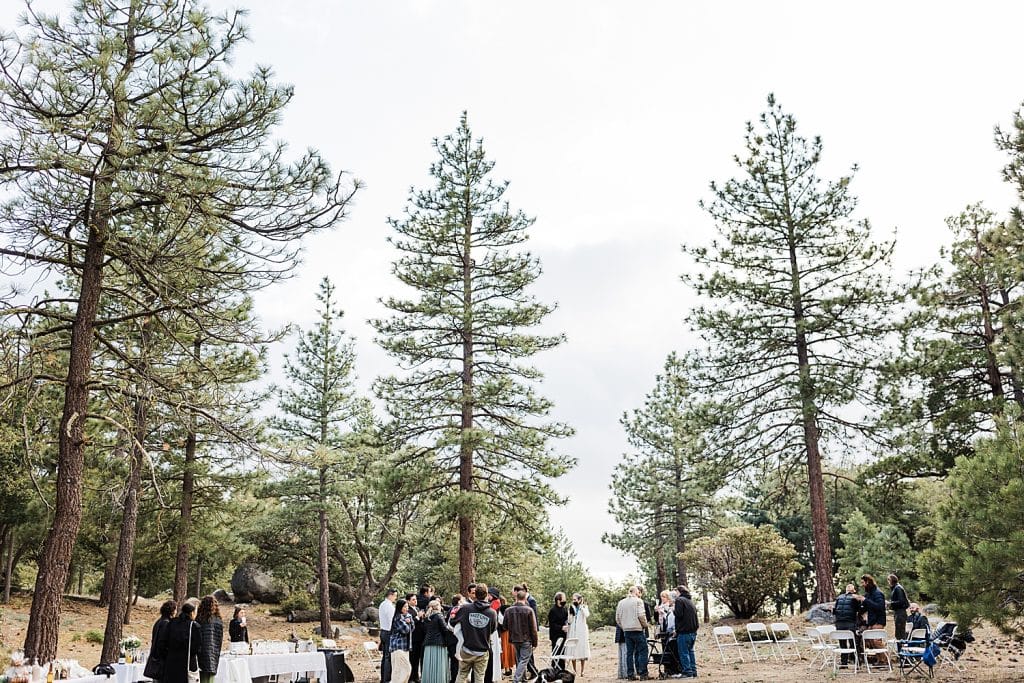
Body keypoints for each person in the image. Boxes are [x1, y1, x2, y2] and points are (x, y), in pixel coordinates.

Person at [454, 585, 497, 683]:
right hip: (482, 650)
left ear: (475, 595)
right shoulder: (492, 613)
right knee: (479, 677)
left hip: (466, 648)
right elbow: (493, 629)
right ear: (486, 595)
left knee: (462, 674)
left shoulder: (465, 608)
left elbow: (453, 622)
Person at [161, 602, 200, 683]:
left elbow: (164, 642)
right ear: (192, 613)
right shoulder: (194, 626)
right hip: (187, 664)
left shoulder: (172, 622)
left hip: (170, 663)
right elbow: (197, 648)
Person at [615, 586, 649, 680]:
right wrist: (645, 625)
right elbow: (641, 615)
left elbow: (617, 618)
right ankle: (643, 673)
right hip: (637, 629)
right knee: (643, 651)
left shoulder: (621, 602)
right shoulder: (638, 601)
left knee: (629, 653)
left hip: (626, 631)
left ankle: (630, 674)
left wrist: (624, 626)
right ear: (636, 592)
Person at [503, 591, 537, 683]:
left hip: (514, 639)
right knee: (523, 660)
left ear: (516, 598)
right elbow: (533, 628)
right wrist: (535, 642)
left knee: (519, 659)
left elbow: (505, 626)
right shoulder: (529, 610)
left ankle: (523, 679)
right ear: (525, 599)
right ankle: (516, 680)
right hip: (526, 639)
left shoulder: (508, 610)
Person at [143, 600, 176, 683]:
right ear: (171, 611)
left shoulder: (158, 622)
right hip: (161, 662)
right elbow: (162, 643)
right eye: (175, 609)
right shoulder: (166, 623)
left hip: (157, 659)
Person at [421, 600, 450, 683]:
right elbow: (445, 629)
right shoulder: (439, 616)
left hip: (428, 643)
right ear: (438, 606)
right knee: (438, 665)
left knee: (429, 664)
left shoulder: (427, 617)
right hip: (438, 643)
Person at [196, 596, 223, 683]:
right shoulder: (218, 620)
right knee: (210, 678)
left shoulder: (199, 619)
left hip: (201, 653)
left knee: (202, 678)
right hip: (214, 653)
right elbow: (219, 639)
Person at [673, 585, 698, 679]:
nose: (675, 594)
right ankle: (693, 671)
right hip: (693, 631)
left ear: (679, 592)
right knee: (690, 651)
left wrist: (673, 610)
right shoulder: (690, 601)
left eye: (675, 592)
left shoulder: (679, 600)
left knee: (683, 652)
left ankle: (687, 672)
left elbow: (679, 614)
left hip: (684, 631)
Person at [833, 583, 860, 666]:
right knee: (853, 643)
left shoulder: (839, 597)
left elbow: (835, 610)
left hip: (839, 623)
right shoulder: (854, 598)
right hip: (850, 623)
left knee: (842, 643)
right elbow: (858, 609)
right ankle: (856, 662)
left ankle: (844, 663)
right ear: (853, 590)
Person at [412, 586, 435, 683]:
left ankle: (417, 676)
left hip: (418, 634)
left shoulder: (417, 604)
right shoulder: (428, 600)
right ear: (426, 592)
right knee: (418, 657)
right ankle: (417, 676)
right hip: (419, 634)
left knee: (415, 657)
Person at [390, 599, 416, 683]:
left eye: (407, 607)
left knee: (401, 671)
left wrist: (409, 621)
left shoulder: (406, 616)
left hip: (405, 647)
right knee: (404, 670)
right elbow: (406, 630)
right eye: (405, 607)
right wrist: (408, 622)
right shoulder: (397, 618)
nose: (406, 609)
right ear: (400, 607)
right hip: (398, 647)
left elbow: (412, 628)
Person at [566, 593, 591, 677]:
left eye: (575, 599)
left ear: (579, 600)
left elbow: (587, 615)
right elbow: (569, 621)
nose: (574, 601)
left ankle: (582, 670)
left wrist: (582, 607)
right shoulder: (571, 607)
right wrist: (570, 614)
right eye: (573, 600)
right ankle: (574, 670)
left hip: (582, 631)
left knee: (582, 649)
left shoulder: (584, 607)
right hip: (573, 630)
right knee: (573, 649)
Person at [547, 592, 569, 671]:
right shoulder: (553, 610)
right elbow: (552, 625)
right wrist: (561, 627)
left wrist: (567, 625)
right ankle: (555, 670)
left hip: (563, 634)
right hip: (555, 635)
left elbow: (566, 619)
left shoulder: (565, 609)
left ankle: (562, 670)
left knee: (562, 653)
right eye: (563, 599)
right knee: (556, 653)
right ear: (558, 600)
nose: (565, 600)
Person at [379, 589, 398, 683]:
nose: (396, 598)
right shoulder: (389, 606)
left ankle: (383, 678)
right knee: (388, 657)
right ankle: (386, 679)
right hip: (388, 632)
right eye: (395, 596)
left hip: (383, 631)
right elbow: (391, 621)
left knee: (384, 657)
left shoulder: (382, 604)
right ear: (390, 595)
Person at [888, 574, 910, 640]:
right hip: (898, 612)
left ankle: (901, 648)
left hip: (900, 612)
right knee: (899, 632)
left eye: (889, 580)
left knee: (900, 632)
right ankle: (900, 647)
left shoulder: (898, 588)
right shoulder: (896, 588)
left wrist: (890, 603)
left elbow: (901, 601)